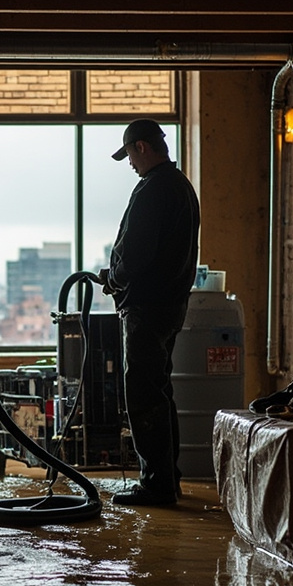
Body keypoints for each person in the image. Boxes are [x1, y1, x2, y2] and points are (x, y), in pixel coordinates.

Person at [99, 119, 200, 506]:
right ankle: (167, 478)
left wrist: (114, 277)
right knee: (160, 392)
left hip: (147, 306)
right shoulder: (180, 186)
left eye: (129, 155)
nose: (130, 163)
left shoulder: (153, 188)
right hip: (170, 304)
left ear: (142, 147)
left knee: (143, 394)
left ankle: (156, 485)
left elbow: (137, 253)